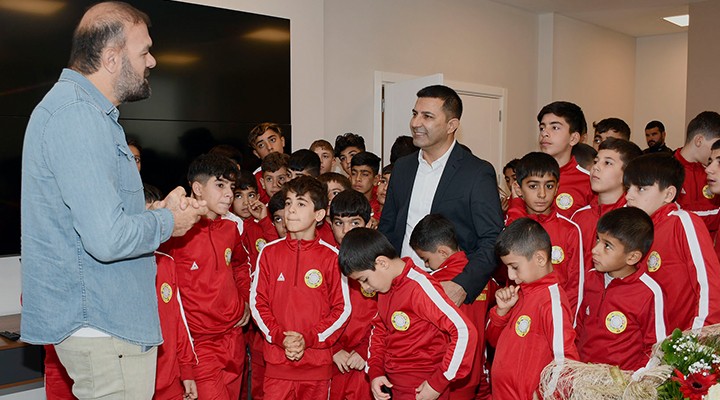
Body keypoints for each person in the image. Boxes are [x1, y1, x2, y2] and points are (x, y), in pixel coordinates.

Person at [20, 2, 206, 398]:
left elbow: (96, 219)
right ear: (111, 59)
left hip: (106, 323)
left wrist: (154, 212)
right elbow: (106, 239)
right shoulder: (78, 115)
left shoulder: (86, 112)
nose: (152, 61)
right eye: (144, 51)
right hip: (104, 325)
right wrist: (168, 222)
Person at [379, 84, 504, 307]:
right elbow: (388, 228)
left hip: (450, 290)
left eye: (427, 116)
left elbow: (492, 238)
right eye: (415, 114)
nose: (415, 123)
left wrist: (463, 285)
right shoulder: (403, 168)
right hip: (402, 286)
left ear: (451, 125)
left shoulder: (476, 172)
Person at [339, 228, 478, 400]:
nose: (365, 288)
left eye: (364, 280)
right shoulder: (386, 288)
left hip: (422, 386)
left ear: (382, 263)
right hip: (397, 384)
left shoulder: (419, 287)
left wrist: (438, 382)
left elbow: (464, 331)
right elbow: (380, 330)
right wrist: (375, 371)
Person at [250, 176, 351, 400]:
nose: (291, 210)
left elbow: (342, 309)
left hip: (316, 365)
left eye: (301, 203)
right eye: (288, 203)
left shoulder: (332, 257)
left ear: (319, 214)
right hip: (277, 364)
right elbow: (257, 304)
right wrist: (280, 337)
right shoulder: (268, 252)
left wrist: (309, 339)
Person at [160, 154, 251, 400]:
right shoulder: (175, 233)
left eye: (232, 187)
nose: (229, 194)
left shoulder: (230, 228)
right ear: (198, 188)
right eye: (220, 185)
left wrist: (244, 299)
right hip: (199, 343)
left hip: (233, 336)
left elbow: (241, 265)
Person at [624, 153, 720, 333]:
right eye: (628, 188)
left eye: (641, 189)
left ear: (668, 194)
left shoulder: (682, 222)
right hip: (647, 341)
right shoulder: (634, 231)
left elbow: (709, 285)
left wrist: (697, 339)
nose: (629, 196)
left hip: (682, 339)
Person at [486, 218, 578, 399]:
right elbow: (492, 341)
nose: (511, 275)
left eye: (514, 267)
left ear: (540, 259)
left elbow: (567, 362)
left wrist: (545, 395)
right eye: (507, 268)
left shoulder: (552, 302)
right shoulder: (519, 293)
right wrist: (501, 312)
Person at [410, 214, 496, 399]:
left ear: (442, 252)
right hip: (475, 369)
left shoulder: (433, 282)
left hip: (444, 373)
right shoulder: (482, 277)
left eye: (426, 259)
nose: (426, 265)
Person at [574, 207, 666, 372]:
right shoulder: (590, 278)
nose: (595, 250)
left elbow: (655, 348)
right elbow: (578, 327)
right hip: (583, 375)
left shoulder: (648, 292)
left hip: (622, 382)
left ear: (632, 257)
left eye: (607, 246)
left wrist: (633, 380)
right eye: (597, 239)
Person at [505, 152, 584, 319]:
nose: (542, 194)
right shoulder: (511, 224)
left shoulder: (570, 229)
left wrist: (567, 322)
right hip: (518, 316)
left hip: (556, 317)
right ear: (519, 189)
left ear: (557, 188)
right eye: (533, 186)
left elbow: (575, 285)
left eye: (548, 186)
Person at [144, 185, 198, 400]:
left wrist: (186, 369)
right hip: (134, 385)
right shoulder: (118, 268)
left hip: (169, 383)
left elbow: (178, 320)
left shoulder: (166, 263)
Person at [327, 190, 377, 400]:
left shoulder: (379, 264)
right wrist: (333, 349)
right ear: (329, 224)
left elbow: (385, 317)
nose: (346, 230)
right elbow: (311, 312)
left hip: (365, 356)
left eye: (354, 223)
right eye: (339, 223)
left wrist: (365, 350)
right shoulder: (323, 260)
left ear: (369, 223)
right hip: (329, 354)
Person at [572, 138, 643, 283]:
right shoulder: (579, 216)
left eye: (608, 163)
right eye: (596, 161)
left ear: (626, 175)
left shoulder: (634, 219)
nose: (596, 167)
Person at [537, 101, 594, 217]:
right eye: (542, 128)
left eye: (555, 127)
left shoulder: (588, 182)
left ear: (573, 138)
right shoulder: (528, 175)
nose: (544, 133)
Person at [674, 111, 720, 245]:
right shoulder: (667, 171)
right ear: (699, 140)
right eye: (715, 144)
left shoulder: (713, 173)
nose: (716, 150)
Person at [249, 122, 286, 202]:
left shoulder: (297, 170)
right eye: (261, 145)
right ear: (256, 153)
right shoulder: (254, 181)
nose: (269, 147)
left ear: (282, 141)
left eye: (272, 140)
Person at [349, 151, 382, 219]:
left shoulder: (381, 205)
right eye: (354, 174)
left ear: (375, 180)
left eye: (365, 174)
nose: (357, 179)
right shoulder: (342, 202)